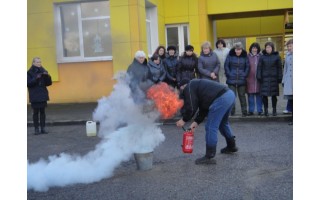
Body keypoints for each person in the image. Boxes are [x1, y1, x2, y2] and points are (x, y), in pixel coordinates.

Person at [176, 79, 238, 165]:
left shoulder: (189, 87)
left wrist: (183, 120)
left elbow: (191, 108)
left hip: (222, 98)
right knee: (223, 123)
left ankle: (209, 156)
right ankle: (232, 146)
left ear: (183, 86)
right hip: (230, 95)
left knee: (211, 126)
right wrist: (195, 123)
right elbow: (204, 108)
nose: (182, 91)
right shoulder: (198, 86)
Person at [27, 57, 52, 135]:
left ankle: (43, 128)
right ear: (33, 63)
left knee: (42, 112)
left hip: (42, 94)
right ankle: (36, 129)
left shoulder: (43, 70)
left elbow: (48, 83)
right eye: (37, 62)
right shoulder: (29, 72)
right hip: (34, 95)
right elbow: (28, 83)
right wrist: (36, 78)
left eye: (40, 62)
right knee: (35, 113)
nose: (39, 64)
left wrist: (48, 76)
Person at [257, 41, 283, 116]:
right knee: (264, 95)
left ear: (272, 48)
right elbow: (259, 68)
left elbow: (279, 68)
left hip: (273, 78)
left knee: (274, 95)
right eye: (267, 47)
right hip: (264, 79)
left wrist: (279, 77)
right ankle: (266, 110)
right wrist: (259, 76)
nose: (268, 49)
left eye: (269, 47)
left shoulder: (277, 56)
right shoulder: (262, 57)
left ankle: (274, 110)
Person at [224, 42, 250, 117]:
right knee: (231, 96)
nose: (238, 51)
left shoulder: (245, 56)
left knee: (242, 96)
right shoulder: (230, 56)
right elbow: (226, 66)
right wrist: (229, 74)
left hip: (242, 79)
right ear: (234, 50)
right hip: (231, 79)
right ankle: (232, 112)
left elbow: (247, 67)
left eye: (239, 49)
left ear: (241, 50)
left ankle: (244, 112)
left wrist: (244, 75)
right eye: (236, 49)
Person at [247, 42, 263, 116]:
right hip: (250, 79)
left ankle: (260, 110)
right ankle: (251, 110)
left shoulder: (261, 56)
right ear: (251, 49)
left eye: (256, 48)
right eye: (253, 48)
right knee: (250, 96)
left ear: (258, 49)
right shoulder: (247, 56)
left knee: (259, 96)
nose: (254, 49)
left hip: (259, 79)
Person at [282, 39, 293, 124]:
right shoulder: (287, 55)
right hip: (289, 80)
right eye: (288, 46)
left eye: (290, 46)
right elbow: (285, 69)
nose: (289, 48)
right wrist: (283, 80)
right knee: (292, 99)